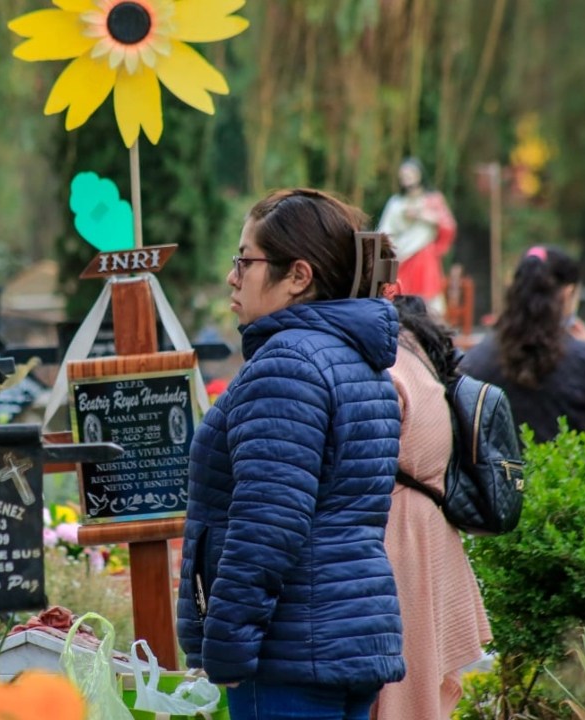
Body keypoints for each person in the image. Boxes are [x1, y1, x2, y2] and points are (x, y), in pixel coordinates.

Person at [177, 188, 406, 720]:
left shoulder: (287, 364)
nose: (233, 277)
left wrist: (228, 643)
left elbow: (268, 520)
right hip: (347, 636)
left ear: (298, 276)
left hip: (289, 650)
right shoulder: (353, 359)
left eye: (246, 261)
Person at [370, 296, 492, 720]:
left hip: (398, 536)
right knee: (420, 685)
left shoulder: (389, 366)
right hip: (427, 529)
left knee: (402, 687)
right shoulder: (419, 360)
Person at [459, 246, 585, 443]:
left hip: (501, 473)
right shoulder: (582, 357)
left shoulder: (477, 358)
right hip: (566, 472)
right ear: (568, 293)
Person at [377, 158, 457, 316]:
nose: (407, 178)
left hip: (424, 255)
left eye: (410, 174)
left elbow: (448, 225)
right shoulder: (396, 203)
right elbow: (385, 232)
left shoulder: (432, 200)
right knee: (401, 298)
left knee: (428, 302)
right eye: (404, 175)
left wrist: (422, 216)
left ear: (419, 175)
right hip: (401, 256)